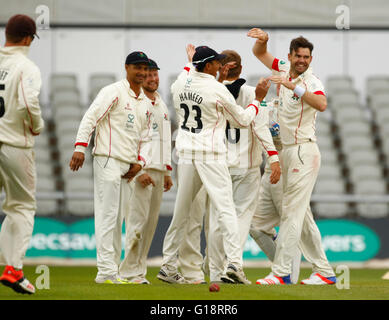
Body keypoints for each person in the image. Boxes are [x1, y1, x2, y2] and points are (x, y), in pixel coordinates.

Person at [158, 44, 270, 285]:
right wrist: (257, 101)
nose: (221, 65)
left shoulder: (179, 83)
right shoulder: (216, 90)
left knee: (181, 212)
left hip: (186, 153)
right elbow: (242, 120)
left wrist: (190, 61)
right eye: (217, 62)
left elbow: (187, 73)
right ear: (208, 66)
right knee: (227, 209)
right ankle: (235, 265)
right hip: (210, 154)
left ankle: (167, 265)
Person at [247, 28, 336, 285]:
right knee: (301, 216)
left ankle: (281, 273)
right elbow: (260, 54)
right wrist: (263, 42)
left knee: (291, 214)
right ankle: (324, 271)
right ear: (290, 55)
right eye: (299, 56)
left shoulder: (311, 81)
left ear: (310, 59)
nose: (302, 61)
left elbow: (322, 104)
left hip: (303, 150)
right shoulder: (284, 66)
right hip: (286, 151)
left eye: (306, 57)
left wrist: (293, 88)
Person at [69, 51, 153, 284]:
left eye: (145, 68)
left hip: (128, 167)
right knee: (107, 216)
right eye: (137, 67)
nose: (142, 72)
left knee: (119, 219)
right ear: (126, 68)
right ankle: (105, 271)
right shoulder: (113, 91)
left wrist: (140, 163)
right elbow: (90, 118)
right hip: (107, 158)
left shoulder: (145, 102)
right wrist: (79, 147)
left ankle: (112, 270)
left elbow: (148, 138)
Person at [204, 50, 281, 284]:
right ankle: (233, 265)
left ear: (220, 67)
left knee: (218, 219)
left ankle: (214, 268)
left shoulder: (211, 92)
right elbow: (261, 127)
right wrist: (274, 157)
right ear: (240, 67)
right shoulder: (252, 93)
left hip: (219, 165)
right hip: (246, 167)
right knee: (240, 218)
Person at [118, 59, 173, 284]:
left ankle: (138, 272)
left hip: (159, 171)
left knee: (149, 226)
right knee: (136, 224)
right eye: (148, 75)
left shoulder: (161, 103)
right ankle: (128, 272)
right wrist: (139, 172)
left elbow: (165, 140)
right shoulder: (135, 103)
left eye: (155, 74)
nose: (153, 79)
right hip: (141, 170)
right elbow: (130, 138)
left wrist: (167, 171)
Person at [0, 14, 42, 295]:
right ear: (28, 38)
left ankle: (8, 266)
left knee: (12, 209)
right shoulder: (26, 66)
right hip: (14, 144)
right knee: (21, 207)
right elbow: (29, 101)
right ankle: (13, 269)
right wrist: (37, 125)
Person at [249, 96, 302, 284]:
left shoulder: (300, 106)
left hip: (288, 170)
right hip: (269, 170)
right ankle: (282, 270)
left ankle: (288, 277)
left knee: (290, 223)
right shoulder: (268, 107)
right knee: (255, 226)